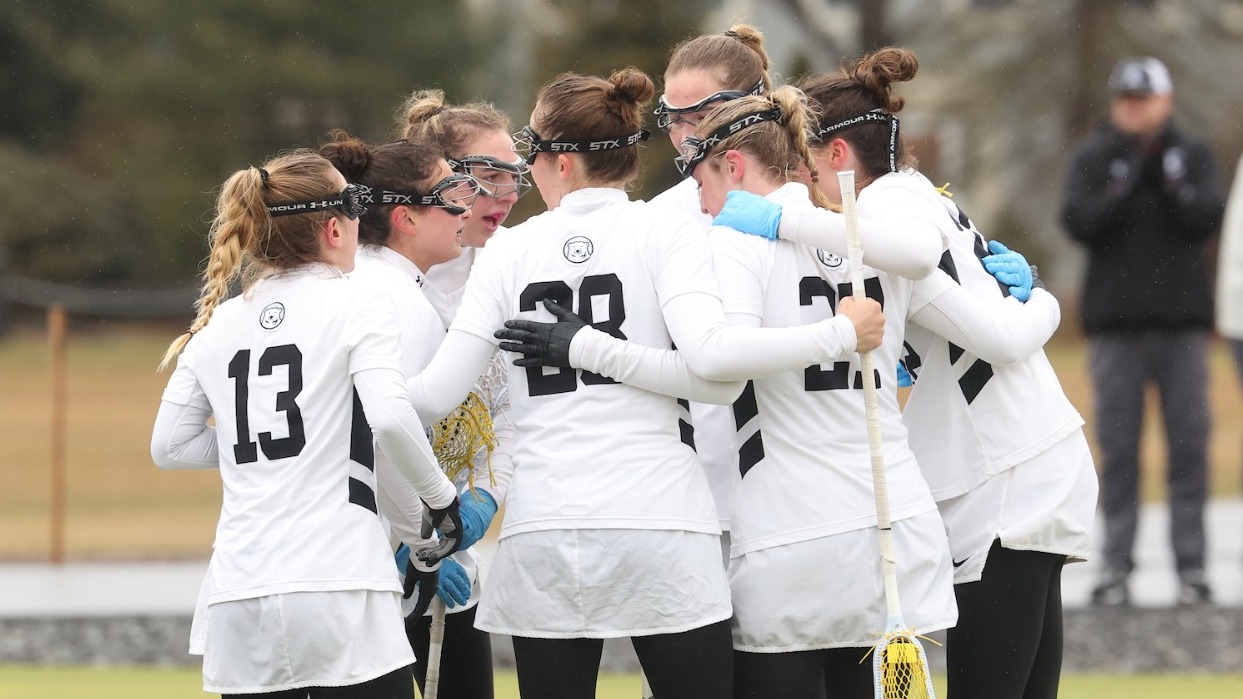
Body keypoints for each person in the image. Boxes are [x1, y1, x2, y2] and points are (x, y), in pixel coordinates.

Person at [401, 67, 887, 699]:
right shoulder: (668, 229)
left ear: (562, 162)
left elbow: (430, 398)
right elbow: (716, 380)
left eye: (533, 155)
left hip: (549, 530)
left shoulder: (507, 253)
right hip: (663, 524)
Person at [764, 48, 1096, 699]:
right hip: (1032, 457)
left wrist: (1042, 299)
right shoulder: (916, 192)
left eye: (805, 165)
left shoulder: (885, 217)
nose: (800, 183)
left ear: (837, 154)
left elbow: (1000, 338)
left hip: (1002, 476)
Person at [150, 150, 461, 698]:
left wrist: (282, 439)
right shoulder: (360, 301)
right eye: (355, 205)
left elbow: (170, 446)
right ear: (334, 227)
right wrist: (441, 502)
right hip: (339, 585)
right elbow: (390, 423)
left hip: (238, 594)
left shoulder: (220, 322)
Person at [318, 129, 502, 699]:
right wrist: (422, 542)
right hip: (373, 554)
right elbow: (384, 430)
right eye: (450, 196)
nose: (465, 209)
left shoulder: (348, 284)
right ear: (405, 218)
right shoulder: (400, 302)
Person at [1061, 55, 1225, 606]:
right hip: (1116, 331)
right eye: (1126, 100)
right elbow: (1078, 222)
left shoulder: (1191, 153)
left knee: (1189, 449)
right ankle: (1115, 566)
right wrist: (1124, 185)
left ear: (1166, 101)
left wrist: (1170, 187)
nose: (1134, 110)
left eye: (1144, 100)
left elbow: (1206, 218)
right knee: (1119, 451)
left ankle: (1192, 567)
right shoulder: (1097, 156)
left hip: (1182, 330)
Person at [397, 89, 530, 699]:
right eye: (488, 175)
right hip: (373, 556)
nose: (506, 194)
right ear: (441, 178)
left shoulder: (510, 269)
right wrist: (408, 536)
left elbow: (509, 414)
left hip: (455, 558)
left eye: (515, 176)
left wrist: (481, 501)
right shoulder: (378, 282)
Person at [647, 23, 774, 576]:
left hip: (808, 480)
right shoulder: (659, 217)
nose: (685, 135)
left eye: (702, 113)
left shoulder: (819, 198)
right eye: (673, 118)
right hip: (705, 481)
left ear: (756, 102)